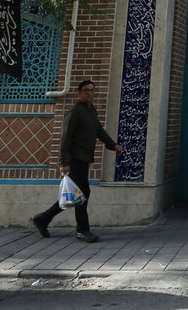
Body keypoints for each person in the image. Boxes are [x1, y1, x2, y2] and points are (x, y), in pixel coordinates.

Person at [32, 79, 121, 242]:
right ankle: (82, 230)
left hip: (84, 158)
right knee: (82, 193)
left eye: (92, 90)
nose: (90, 93)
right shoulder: (75, 112)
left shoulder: (91, 111)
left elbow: (98, 130)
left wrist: (113, 145)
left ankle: (43, 218)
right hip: (74, 158)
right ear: (79, 93)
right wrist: (63, 162)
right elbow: (65, 138)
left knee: (76, 194)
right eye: (86, 90)